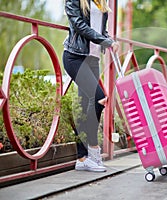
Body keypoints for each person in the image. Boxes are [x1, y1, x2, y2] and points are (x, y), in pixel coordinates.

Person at [63, 0, 119, 172]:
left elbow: (100, 29)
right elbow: (79, 25)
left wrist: (107, 38)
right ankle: (93, 150)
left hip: (93, 59)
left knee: (82, 106)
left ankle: (82, 159)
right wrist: (106, 41)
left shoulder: (101, 2)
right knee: (99, 98)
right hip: (75, 57)